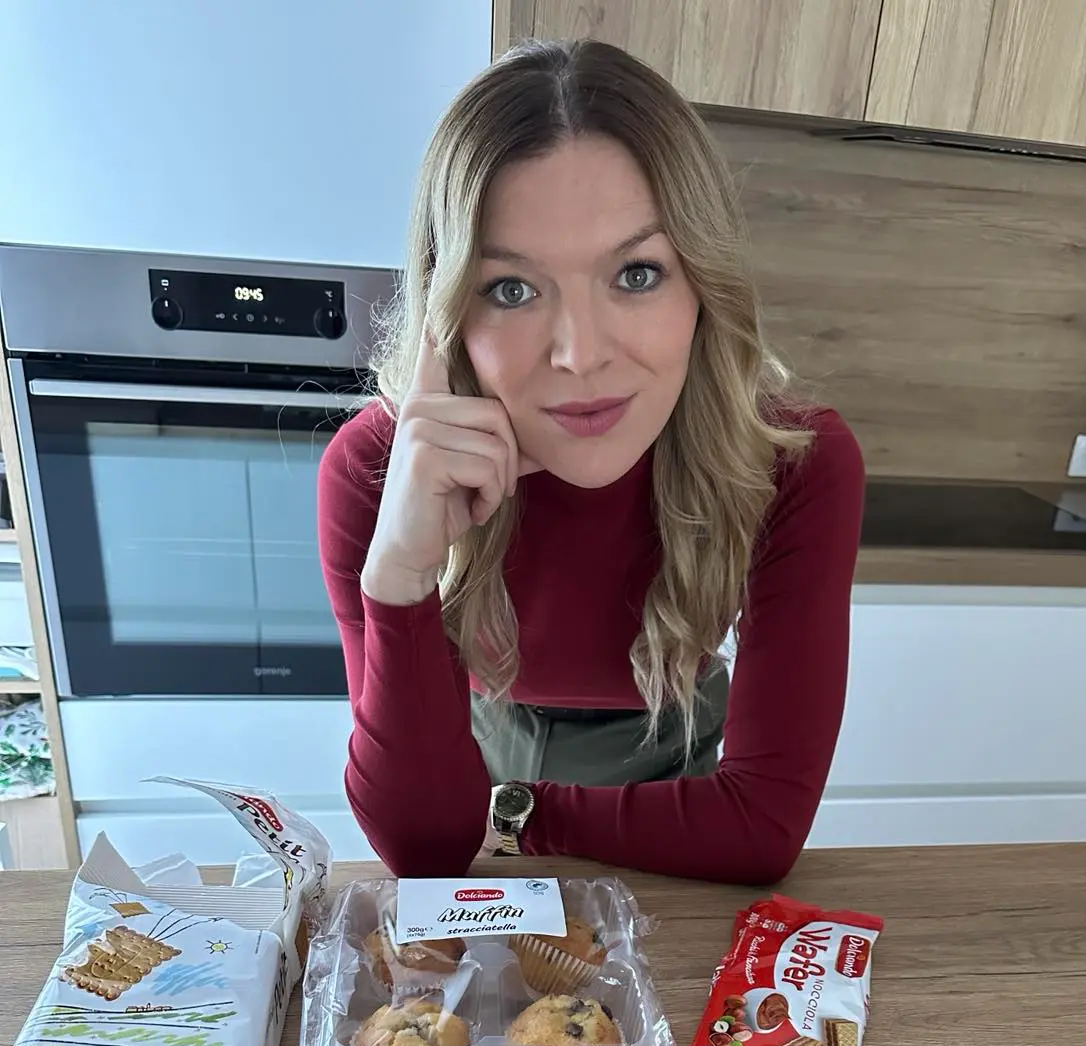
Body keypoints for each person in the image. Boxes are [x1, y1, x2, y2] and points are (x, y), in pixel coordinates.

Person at [318, 38, 864, 885]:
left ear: (704, 284)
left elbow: (758, 825)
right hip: (473, 739)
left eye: (637, 273)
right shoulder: (377, 472)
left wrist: (509, 814)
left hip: (674, 749)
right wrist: (398, 572)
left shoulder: (792, 463)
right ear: (446, 310)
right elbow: (422, 846)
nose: (580, 355)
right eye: (511, 289)